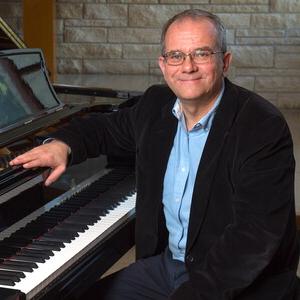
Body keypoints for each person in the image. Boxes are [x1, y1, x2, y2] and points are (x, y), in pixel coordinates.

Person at [10, 9, 299, 300]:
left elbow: (252, 239)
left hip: (236, 280)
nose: (187, 67)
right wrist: (63, 145)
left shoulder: (261, 126)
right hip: (170, 267)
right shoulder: (155, 106)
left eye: (201, 54)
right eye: (176, 55)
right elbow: (106, 129)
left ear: (224, 61)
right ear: (163, 64)